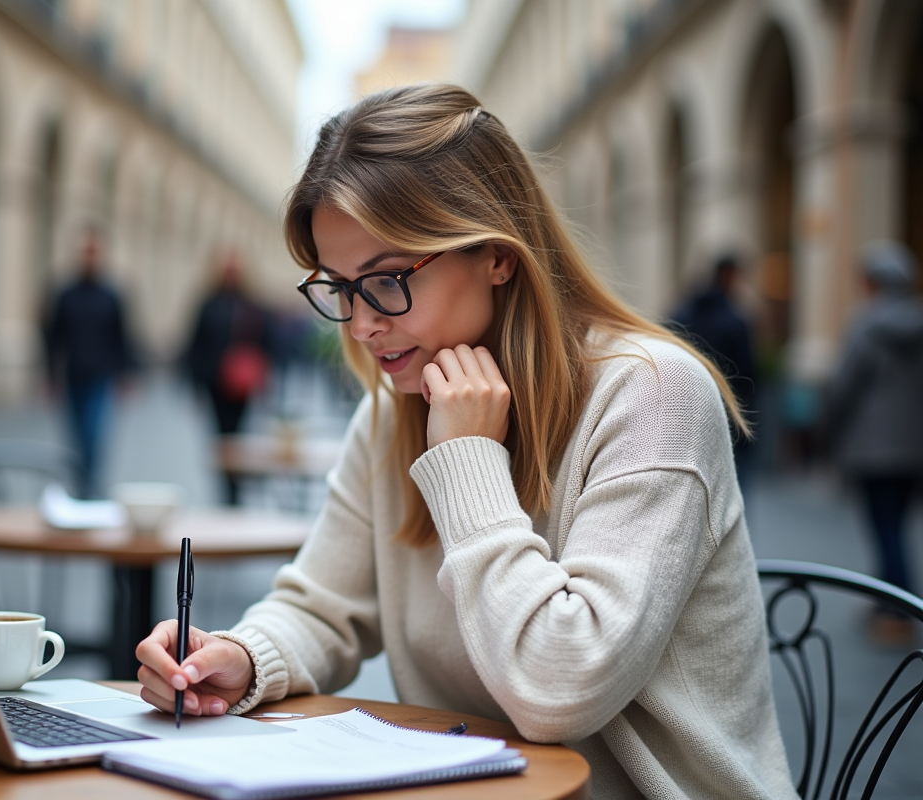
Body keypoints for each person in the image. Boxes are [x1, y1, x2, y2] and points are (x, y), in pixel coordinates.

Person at [136, 85, 795, 799]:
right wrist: (239, 657)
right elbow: (322, 605)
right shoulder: (393, 414)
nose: (362, 324)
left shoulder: (654, 394)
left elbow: (559, 689)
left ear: (496, 255)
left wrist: (467, 460)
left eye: (386, 280)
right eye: (341, 287)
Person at [826, 240, 923, 646]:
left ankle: (896, 611)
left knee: (884, 529)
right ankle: (890, 598)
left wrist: (829, 428)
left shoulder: (866, 324)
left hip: (872, 448)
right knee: (897, 525)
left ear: (875, 283)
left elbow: (843, 386)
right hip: (913, 448)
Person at [44, 229, 140, 498]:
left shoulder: (111, 295)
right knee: (76, 436)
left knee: (94, 435)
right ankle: (83, 485)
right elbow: (53, 336)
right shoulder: (66, 294)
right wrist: (50, 375)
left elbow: (123, 336)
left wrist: (127, 373)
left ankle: (89, 488)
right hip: (74, 375)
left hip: (101, 376)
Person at [183, 252, 274, 504]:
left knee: (238, 435)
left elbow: (266, 344)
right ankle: (226, 488)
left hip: (241, 384)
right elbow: (195, 345)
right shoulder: (209, 305)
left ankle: (234, 487)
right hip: (214, 383)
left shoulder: (252, 306)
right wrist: (195, 384)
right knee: (220, 434)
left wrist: (263, 378)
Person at [670, 253, 760, 492]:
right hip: (729, 415)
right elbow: (748, 375)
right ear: (729, 276)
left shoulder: (680, 316)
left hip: (685, 416)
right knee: (734, 489)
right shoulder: (735, 322)